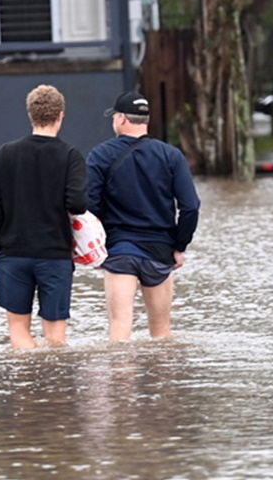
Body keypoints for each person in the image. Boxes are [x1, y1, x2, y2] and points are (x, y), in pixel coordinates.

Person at [86, 91, 200, 341]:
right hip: (160, 252)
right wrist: (179, 247)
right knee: (161, 337)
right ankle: (161, 379)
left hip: (119, 251)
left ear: (123, 119)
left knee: (119, 331)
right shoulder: (171, 155)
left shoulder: (100, 155)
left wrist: (93, 248)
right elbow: (190, 206)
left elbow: (89, 206)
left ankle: (121, 379)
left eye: (114, 116)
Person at [0, 85, 88, 349]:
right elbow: (77, 203)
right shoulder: (70, 155)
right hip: (54, 255)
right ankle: (52, 387)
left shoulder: (6, 153)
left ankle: (26, 388)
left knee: (19, 333)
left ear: (30, 114)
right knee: (55, 339)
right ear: (61, 115)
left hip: (13, 253)